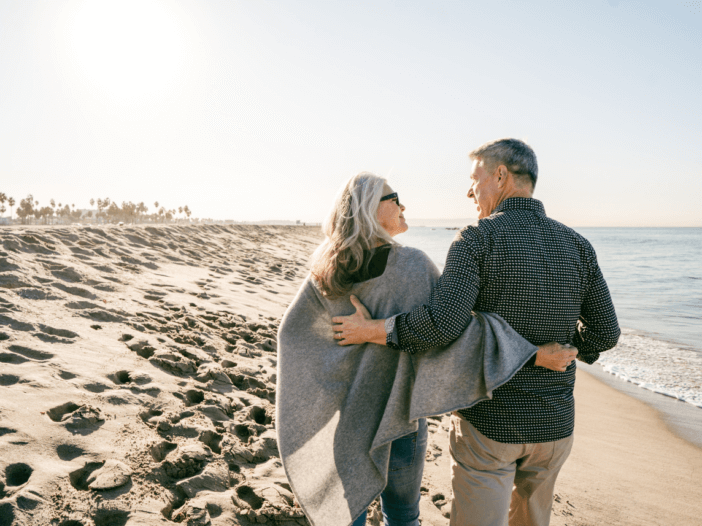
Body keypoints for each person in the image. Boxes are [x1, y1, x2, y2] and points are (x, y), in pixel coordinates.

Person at [332, 139, 620, 526]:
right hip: (554, 426)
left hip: (490, 424)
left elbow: (442, 324)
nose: (469, 190)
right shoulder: (578, 245)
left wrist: (373, 330)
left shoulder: (477, 239)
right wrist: (570, 349)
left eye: (474, 178)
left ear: (500, 176)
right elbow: (606, 332)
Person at [277, 171, 575, 526]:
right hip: (400, 414)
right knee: (402, 515)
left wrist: (336, 372)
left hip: (350, 415)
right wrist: (535, 354)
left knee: (348, 514)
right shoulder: (412, 265)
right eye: (394, 198)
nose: (403, 205)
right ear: (370, 209)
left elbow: (292, 336)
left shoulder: (327, 267)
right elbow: (456, 331)